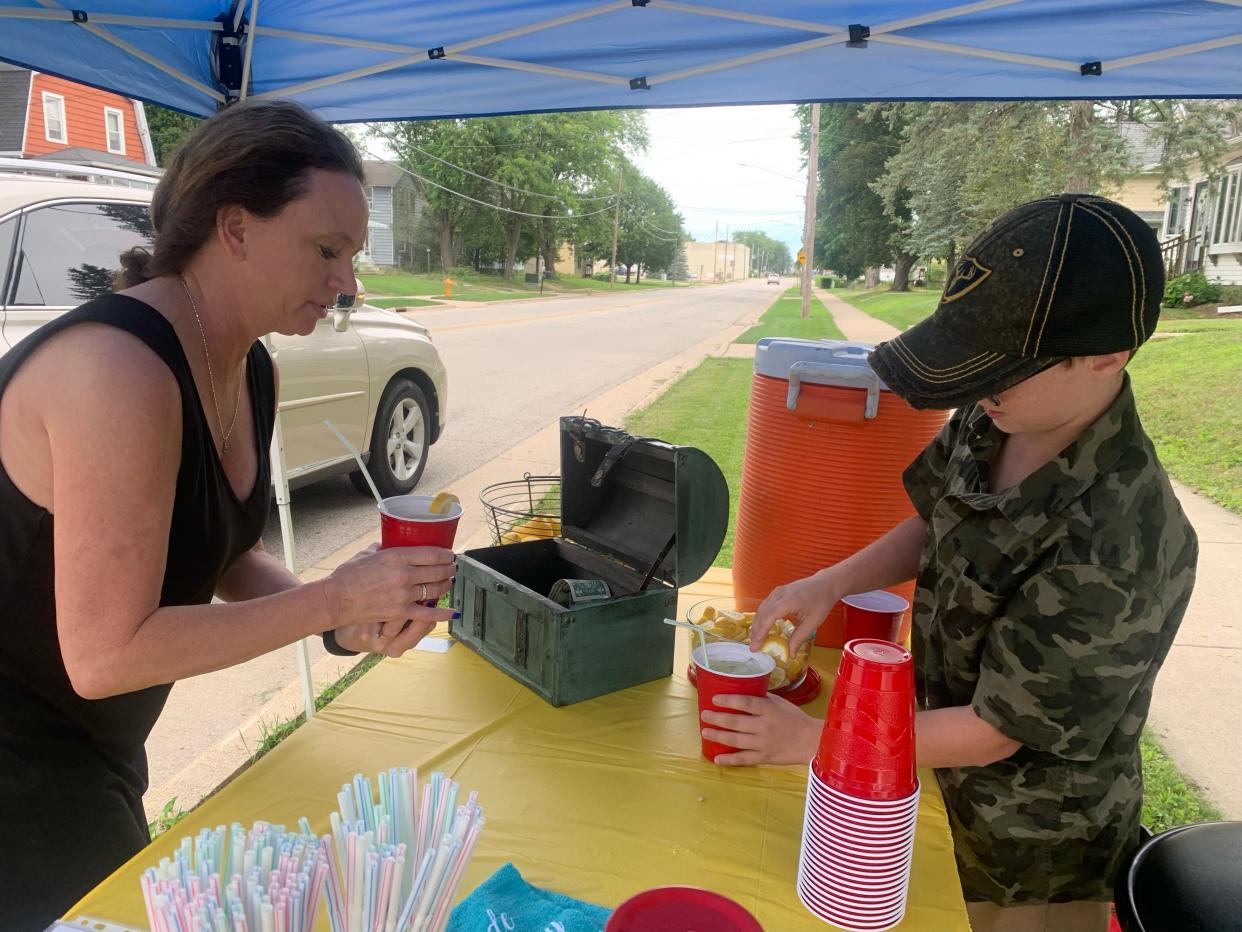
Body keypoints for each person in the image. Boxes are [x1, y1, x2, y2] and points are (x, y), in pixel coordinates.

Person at [0, 100, 457, 928]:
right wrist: (330, 600)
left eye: (351, 255)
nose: (348, 283)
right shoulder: (117, 372)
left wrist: (337, 624)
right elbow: (105, 655)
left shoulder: (248, 370)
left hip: (95, 748)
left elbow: (215, 551)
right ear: (236, 228)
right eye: (327, 250)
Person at [702, 194, 1198, 932]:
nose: (980, 388)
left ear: (1106, 358)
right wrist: (827, 582)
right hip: (921, 765)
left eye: (1005, 369)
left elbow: (1000, 727)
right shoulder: (1000, 409)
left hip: (1026, 843)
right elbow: (933, 521)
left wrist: (815, 741)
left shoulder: (1122, 535)